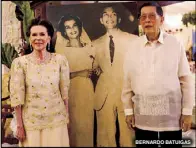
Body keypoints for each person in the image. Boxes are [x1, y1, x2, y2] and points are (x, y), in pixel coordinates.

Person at [121, 2, 194, 147]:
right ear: (140, 21)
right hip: (143, 117)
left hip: (171, 117)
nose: (147, 20)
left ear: (162, 19)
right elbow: (127, 82)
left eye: (152, 16)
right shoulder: (133, 47)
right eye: (143, 17)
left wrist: (187, 112)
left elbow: (186, 81)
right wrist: (128, 111)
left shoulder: (175, 44)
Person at [10, 17, 70, 147]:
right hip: (31, 123)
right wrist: (20, 125)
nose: (38, 38)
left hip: (56, 121)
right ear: (29, 39)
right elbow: (17, 98)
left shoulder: (60, 60)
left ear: (49, 38)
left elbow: (64, 92)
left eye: (42, 34)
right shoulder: (20, 63)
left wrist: (66, 117)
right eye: (34, 35)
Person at [92, 5, 138, 147]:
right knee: (105, 137)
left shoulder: (133, 40)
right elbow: (92, 67)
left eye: (113, 14)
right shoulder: (94, 44)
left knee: (128, 136)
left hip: (127, 93)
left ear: (118, 18)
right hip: (104, 94)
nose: (109, 17)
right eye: (106, 14)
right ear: (101, 20)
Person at [55, 14, 98, 147]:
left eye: (74, 26)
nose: (72, 29)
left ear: (79, 27)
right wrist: (80, 73)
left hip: (87, 89)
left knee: (87, 124)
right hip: (71, 91)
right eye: (67, 27)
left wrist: (97, 69)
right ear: (64, 31)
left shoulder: (89, 47)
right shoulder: (61, 50)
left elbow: (95, 65)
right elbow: (57, 76)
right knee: (73, 126)